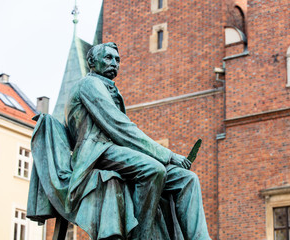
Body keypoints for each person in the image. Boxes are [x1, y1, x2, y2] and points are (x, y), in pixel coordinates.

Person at [62, 42, 211, 240]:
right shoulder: (89, 85)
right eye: (108, 58)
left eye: (117, 60)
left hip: (116, 151)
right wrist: (169, 156)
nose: (114, 63)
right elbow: (120, 127)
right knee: (153, 169)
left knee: (187, 179)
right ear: (91, 61)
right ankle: (141, 236)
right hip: (97, 151)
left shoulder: (109, 88)